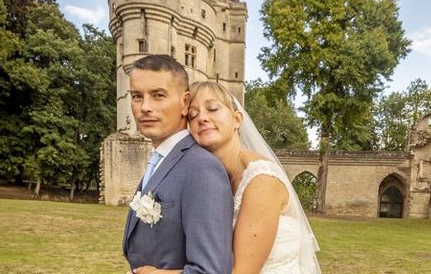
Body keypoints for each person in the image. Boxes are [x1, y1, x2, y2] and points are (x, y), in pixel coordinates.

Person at [188, 81, 322, 274]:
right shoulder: (212, 180)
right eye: (193, 115)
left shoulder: (262, 180)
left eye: (213, 109)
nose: (202, 118)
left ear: (237, 119)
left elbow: (241, 271)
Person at [122, 55, 233, 274]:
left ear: (184, 103)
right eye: (137, 96)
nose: (145, 107)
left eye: (158, 95)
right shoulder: (161, 160)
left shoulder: (201, 169)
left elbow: (210, 271)